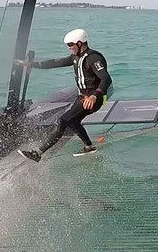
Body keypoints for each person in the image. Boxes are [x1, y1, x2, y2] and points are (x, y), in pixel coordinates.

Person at [15, 28, 112, 161]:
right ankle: (89, 147)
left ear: (79, 43)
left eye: (70, 45)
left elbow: (106, 79)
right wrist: (31, 64)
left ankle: (38, 153)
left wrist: (94, 95)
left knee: (62, 120)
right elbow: (55, 63)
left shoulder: (93, 58)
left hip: (93, 99)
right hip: (82, 99)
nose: (69, 48)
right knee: (73, 121)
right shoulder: (75, 58)